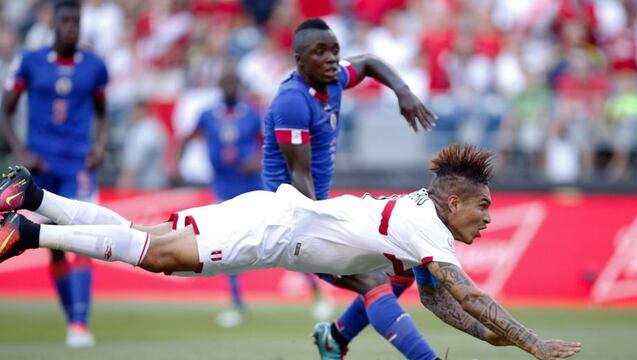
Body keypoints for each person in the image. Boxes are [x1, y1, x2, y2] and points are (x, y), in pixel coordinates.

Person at [0, 144, 582, 360]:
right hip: (275, 229)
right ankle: (26, 234)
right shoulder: (425, 224)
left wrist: (499, 340)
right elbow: (467, 292)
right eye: (483, 208)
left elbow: (440, 304)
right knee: (153, 255)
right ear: (454, 201)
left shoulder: (421, 224)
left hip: (278, 223)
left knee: (141, 234)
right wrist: (530, 343)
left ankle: (33, 195)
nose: (488, 218)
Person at [261, 18, 438, 359]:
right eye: (319, 52)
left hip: (314, 208)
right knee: (374, 284)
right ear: (299, 60)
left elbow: (370, 62)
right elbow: (300, 177)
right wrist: (324, 227)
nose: (331, 59)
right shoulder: (292, 101)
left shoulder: (334, 79)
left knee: (400, 267)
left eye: (334, 50)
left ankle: (335, 339)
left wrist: (403, 91)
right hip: (289, 219)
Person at [0, 0, 108, 348]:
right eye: (66, 22)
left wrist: (101, 146)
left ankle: (79, 322)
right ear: (54, 24)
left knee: (82, 239)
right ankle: (73, 317)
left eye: (77, 22)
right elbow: (6, 111)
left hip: (77, 165)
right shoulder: (30, 62)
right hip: (42, 168)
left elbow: (102, 113)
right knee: (56, 248)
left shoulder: (95, 66)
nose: (71, 29)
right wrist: (21, 151)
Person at [180, 63, 263, 328]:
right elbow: (188, 137)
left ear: (238, 85)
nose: (229, 86)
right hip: (223, 187)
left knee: (280, 235)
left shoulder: (251, 113)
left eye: (232, 82)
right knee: (225, 244)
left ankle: (315, 292)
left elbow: (269, 142)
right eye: (224, 82)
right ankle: (238, 304)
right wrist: (176, 163)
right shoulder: (208, 115)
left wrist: (257, 160)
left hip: (251, 185)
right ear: (219, 85)